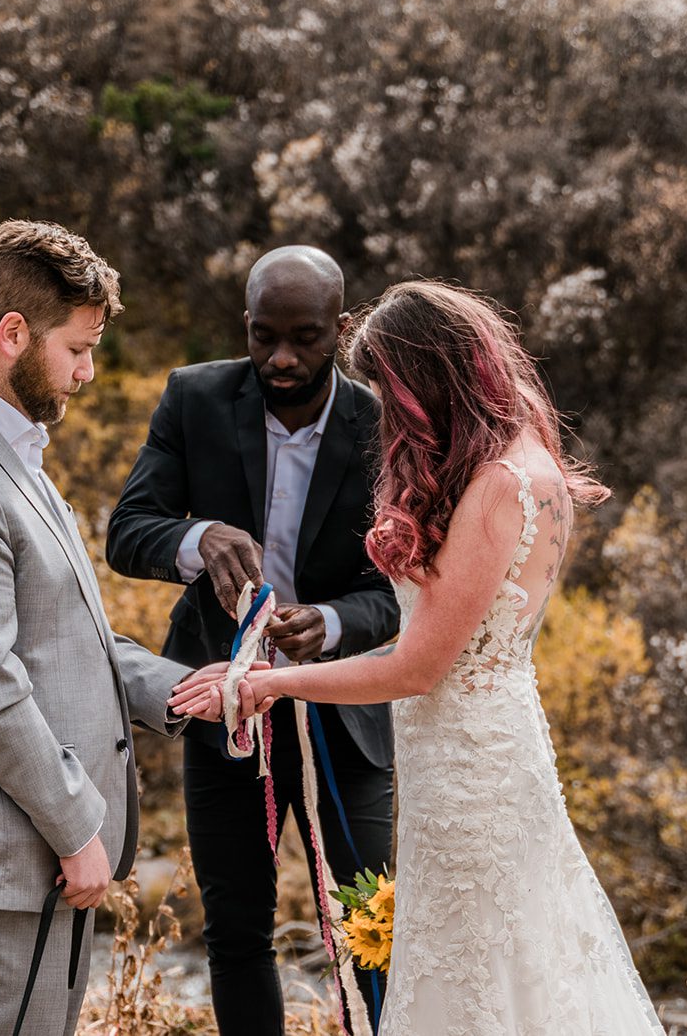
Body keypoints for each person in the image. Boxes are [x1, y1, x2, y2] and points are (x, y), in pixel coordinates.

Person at [171, 280, 667, 1035]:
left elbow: (417, 666)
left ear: (435, 377)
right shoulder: (526, 462)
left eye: (391, 391)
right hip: (481, 745)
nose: (388, 413)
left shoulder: (500, 485)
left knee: (477, 973)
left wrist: (268, 683)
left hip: (472, 768)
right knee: (512, 961)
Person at [0, 220, 252, 1036]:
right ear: (12, 335)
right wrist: (78, 829)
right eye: (77, 348)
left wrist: (176, 688)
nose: (89, 370)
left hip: (17, 863)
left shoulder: (0, 450)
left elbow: (60, 637)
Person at [106, 246, 400, 1035]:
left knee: (373, 926)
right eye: (263, 335)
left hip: (343, 715)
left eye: (304, 338)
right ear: (245, 323)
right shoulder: (193, 398)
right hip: (224, 711)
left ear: (342, 328)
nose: (280, 358)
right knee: (236, 934)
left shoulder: (382, 426)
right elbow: (127, 532)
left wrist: (332, 624)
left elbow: (400, 595)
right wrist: (197, 538)